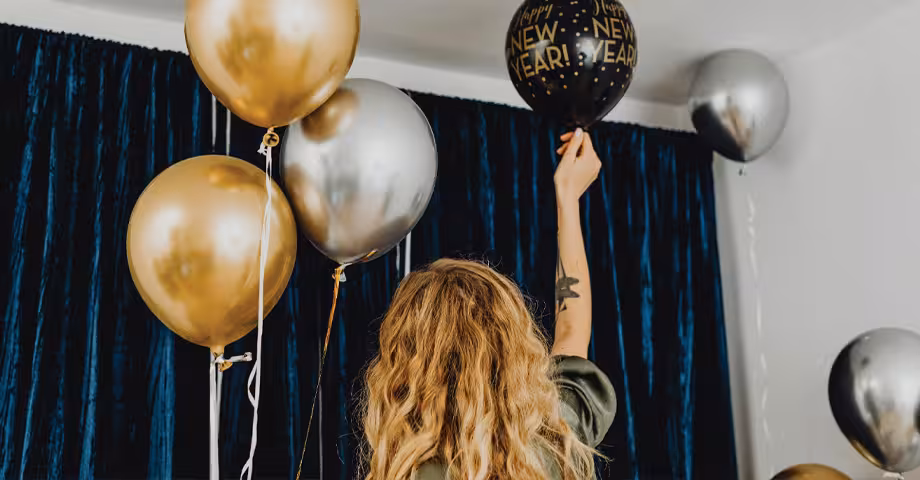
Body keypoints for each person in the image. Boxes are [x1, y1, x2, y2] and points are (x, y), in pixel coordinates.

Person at [358, 128, 616, 479]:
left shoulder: (410, 471)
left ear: (407, 367)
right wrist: (567, 197)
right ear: (513, 351)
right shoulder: (557, 439)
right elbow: (572, 331)